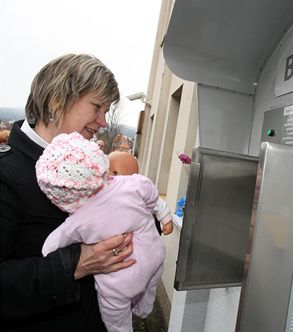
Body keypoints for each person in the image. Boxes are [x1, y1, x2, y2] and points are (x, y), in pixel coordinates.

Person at [0, 54, 135, 331]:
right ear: (56, 100)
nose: (103, 121)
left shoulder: (90, 167)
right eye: (97, 107)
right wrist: (77, 264)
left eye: (106, 111)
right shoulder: (6, 174)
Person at [37, 132, 167, 332]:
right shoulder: (132, 183)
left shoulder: (78, 220)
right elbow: (153, 197)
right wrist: (164, 217)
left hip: (120, 279)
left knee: (116, 315)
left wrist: (47, 254)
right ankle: (144, 308)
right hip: (154, 254)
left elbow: (53, 243)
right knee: (150, 284)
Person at [108, 150, 174, 235]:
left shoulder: (139, 190)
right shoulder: (104, 191)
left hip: (137, 235)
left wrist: (166, 220)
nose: (109, 175)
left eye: (115, 173)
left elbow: (157, 203)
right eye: (107, 170)